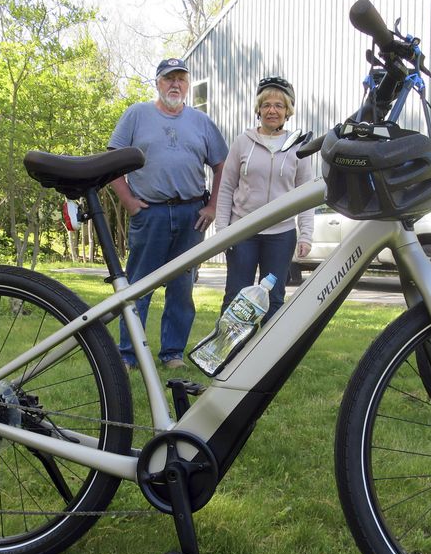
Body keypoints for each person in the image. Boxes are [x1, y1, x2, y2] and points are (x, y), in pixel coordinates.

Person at [108, 57, 228, 370]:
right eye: (168, 78)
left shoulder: (201, 122)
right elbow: (112, 162)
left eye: (181, 79)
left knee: (181, 288)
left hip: (191, 215)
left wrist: (213, 206)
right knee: (138, 287)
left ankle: (172, 353)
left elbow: (221, 165)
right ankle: (129, 355)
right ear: (157, 83)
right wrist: (130, 203)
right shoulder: (137, 114)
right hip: (151, 214)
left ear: (187, 85)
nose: (175, 84)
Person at [214, 76, 313, 320]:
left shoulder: (298, 147)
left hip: (281, 236)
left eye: (279, 106)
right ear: (258, 109)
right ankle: (230, 356)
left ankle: (267, 357)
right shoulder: (242, 142)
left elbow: (307, 194)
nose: (272, 110)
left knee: (274, 298)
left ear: (287, 111)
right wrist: (222, 230)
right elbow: (226, 187)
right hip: (243, 230)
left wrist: (307, 234)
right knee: (236, 296)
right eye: (267, 104)